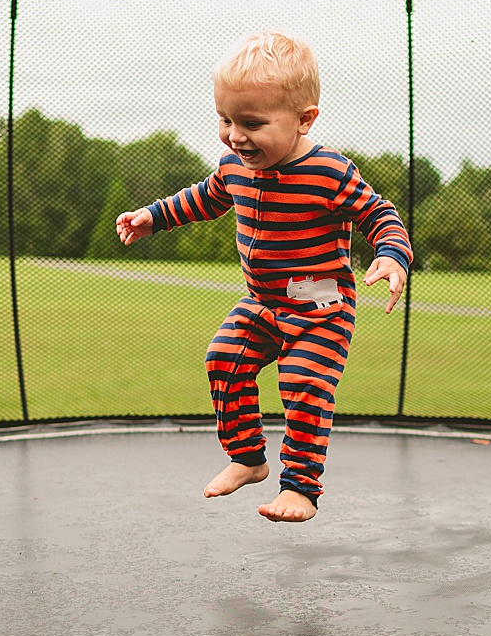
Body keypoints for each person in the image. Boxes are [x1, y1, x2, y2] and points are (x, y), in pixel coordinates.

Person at [116, 31, 412, 523]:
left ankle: (299, 488)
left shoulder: (329, 172)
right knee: (223, 360)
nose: (235, 135)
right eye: (225, 119)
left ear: (304, 119)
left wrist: (391, 256)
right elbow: (206, 196)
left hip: (320, 308)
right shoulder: (235, 164)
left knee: (303, 383)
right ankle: (248, 458)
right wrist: (154, 216)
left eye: (252, 123)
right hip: (263, 303)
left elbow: (379, 214)